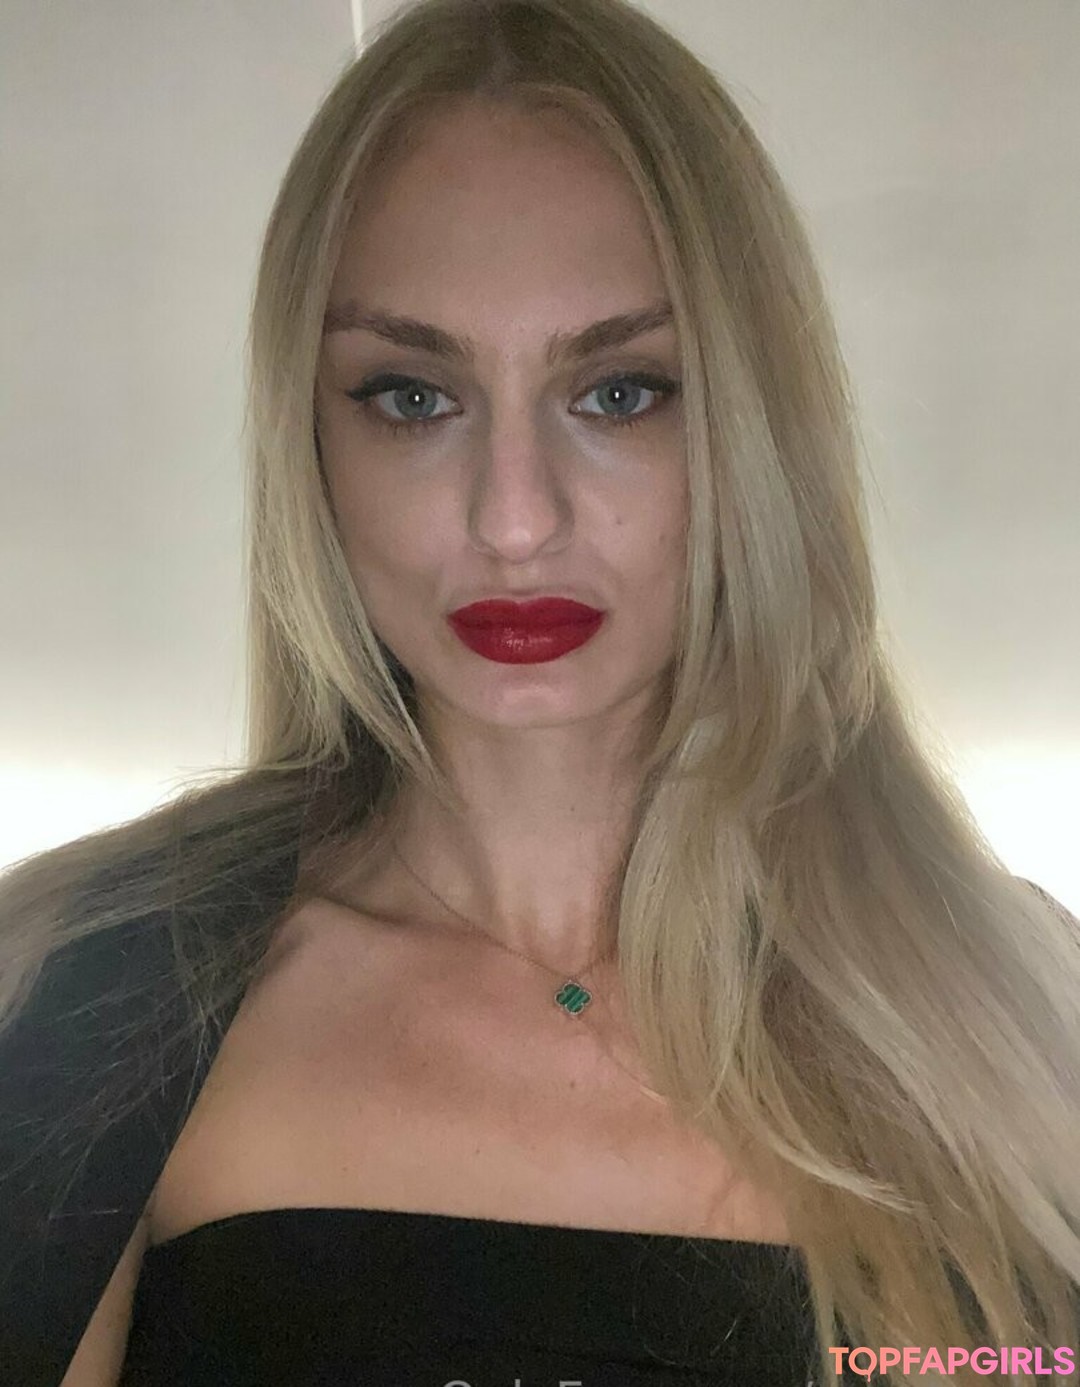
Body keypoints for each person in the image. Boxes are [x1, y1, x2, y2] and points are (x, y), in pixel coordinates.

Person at [1, 0, 1078, 1383]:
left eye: (620, 393)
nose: (515, 519)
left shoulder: (1019, 1005)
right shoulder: (89, 993)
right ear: (309, 437)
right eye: (412, 397)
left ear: (752, 423)